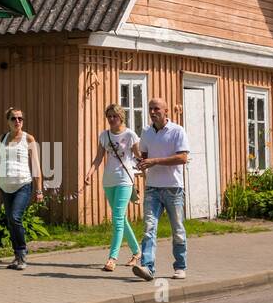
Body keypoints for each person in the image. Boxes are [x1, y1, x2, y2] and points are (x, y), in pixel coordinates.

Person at [133, 99, 191, 281]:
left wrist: (155, 161)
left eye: (156, 108)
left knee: (178, 229)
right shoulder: (146, 132)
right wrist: (141, 164)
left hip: (173, 188)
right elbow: (144, 156)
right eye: (150, 109)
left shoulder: (177, 131)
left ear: (166, 111)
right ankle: (147, 267)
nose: (152, 112)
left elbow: (182, 158)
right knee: (149, 228)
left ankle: (180, 266)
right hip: (152, 188)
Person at [81, 104, 143, 272]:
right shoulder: (104, 135)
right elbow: (98, 158)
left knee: (116, 218)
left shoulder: (130, 135)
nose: (111, 119)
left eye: (114, 116)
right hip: (108, 180)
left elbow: (139, 157)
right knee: (121, 218)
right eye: (109, 116)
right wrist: (90, 173)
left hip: (125, 180)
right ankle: (137, 252)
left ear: (121, 117)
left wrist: (148, 168)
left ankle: (112, 258)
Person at [0, 107, 44, 270]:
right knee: (11, 222)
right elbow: (0, 163)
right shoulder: (3, 138)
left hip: (23, 184)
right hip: (5, 186)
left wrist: (39, 190)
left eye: (20, 119)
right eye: (13, 118)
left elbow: (36, 166)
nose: (17, 122)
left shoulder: (28, 139)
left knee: (15, 217)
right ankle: (16, 256)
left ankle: (22, 254)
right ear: (8, 121)